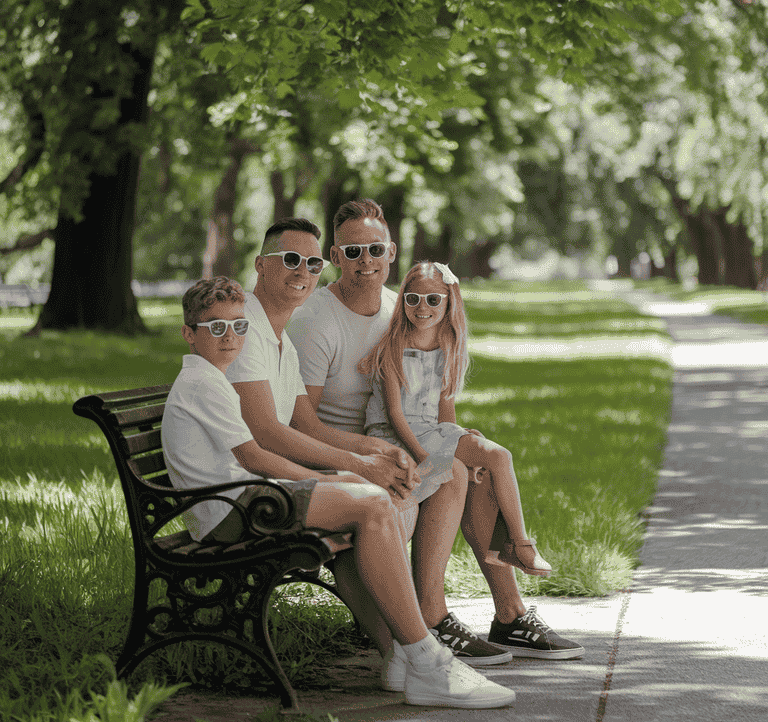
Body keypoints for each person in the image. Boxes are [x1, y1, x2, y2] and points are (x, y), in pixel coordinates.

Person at [161, 275, 517, 709]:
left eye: (238, 326)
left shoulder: (212, 376)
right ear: (189, 334)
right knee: (370, 505)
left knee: (361, 506)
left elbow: (272, 444)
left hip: (244, 499)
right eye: (216, 327)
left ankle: (398, 655)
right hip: (232, 510)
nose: (230, 336)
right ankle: (426, 658)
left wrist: (345, 471)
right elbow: (254, 456)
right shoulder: (203, 383)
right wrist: (327, 481)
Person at [287, 199, 585, 660]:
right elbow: (301, 423)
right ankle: (433, 614)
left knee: (476, 469)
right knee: (456, 472)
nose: (365, 261)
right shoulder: (317, 321)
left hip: (395, 447)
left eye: (374, 249)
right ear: (334, 257)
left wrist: (456, 440)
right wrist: (368, 454)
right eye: (352, 252)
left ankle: (509, 615)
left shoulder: (402, 307)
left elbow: (429, 397)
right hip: (342, 457)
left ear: (391, 252)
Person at [358, 260, 552, 576]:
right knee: (470, 464)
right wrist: (424, 456)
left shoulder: (449, 345)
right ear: (403, 300)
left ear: (449, 302)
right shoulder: (394, 346)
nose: (422, 307)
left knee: (497, 457)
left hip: (429, 431)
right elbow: (394, 414)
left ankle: (518, 545)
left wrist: (456, 434)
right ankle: (512, 548)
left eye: (433, 299)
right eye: (413, 299)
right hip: (394, 435)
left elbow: (444, 406)